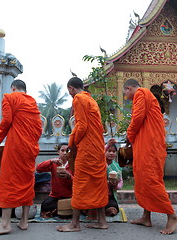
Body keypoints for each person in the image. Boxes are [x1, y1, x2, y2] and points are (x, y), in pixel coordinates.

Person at [0, 80, 42, 235]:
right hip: (30, 148)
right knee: (27, 179)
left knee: (9, 180)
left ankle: (5, 224)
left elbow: (7, 120)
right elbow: (38, 128)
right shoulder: (32, 103)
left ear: (13, 88)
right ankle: (23, 220)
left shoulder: (10, 98)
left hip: (16, 146)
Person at [123, 79, 177, 235]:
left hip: (151, 145)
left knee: (150, 179)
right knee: (143, 179)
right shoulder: (144, 95)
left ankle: (172, 215)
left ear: (128, 88)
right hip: (145, 143)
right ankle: (146, 217)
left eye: (125, 92)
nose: (125, 95)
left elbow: (138, 117)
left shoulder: (141, 93)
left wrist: (129, 134)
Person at [56, 77, 108, 232]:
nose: (70, 94)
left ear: (71, 88)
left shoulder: (79, 99)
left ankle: (74, 224)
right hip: (98, 148)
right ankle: (102, 221)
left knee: (80, 183)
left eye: (69, 91)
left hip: (87, 149)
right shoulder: (91, 100)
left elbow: (82, 126)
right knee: (98, 183)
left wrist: (73, 144)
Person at [36, 142, 73, 218]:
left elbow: (77, 182)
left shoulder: (73, 164)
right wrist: (50, 161)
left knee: (67, 209)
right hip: (55, 195)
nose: (65, 153)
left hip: (70, 195)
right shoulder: (54, 163)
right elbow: (39, 169)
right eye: (62, 150)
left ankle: (58, 210)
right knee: (45, 206)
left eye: (67, 151)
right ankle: (58, 210)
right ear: (58, 152)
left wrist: (69, 176)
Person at [105, 139, 123, 217]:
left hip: (110, 195)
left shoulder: (117, 167)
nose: (111, 153)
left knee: (113, 209)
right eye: (109, 151)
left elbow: (121, 182)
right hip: (98, 193)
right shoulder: (100, 163)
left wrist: (115, 185)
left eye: (113, 151)